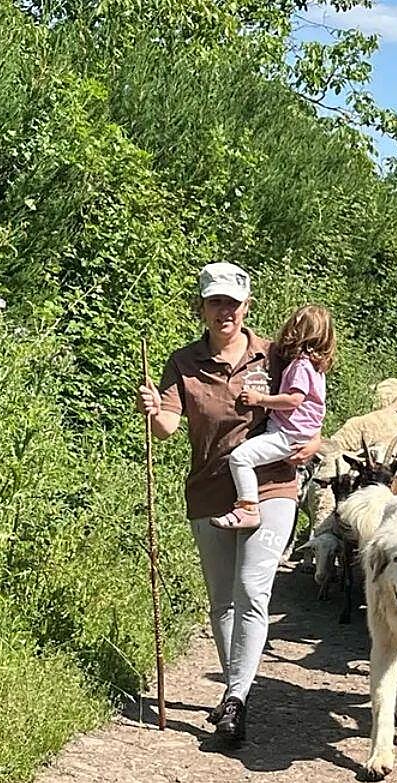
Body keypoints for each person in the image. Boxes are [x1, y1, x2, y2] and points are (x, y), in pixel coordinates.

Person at [136, 262, 321, 746]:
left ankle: (235, 699)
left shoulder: (275, 355)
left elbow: (309, 403)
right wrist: (153, 411)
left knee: (251, 589)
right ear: (200, 307)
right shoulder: (183, 363)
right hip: (209, 491)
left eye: (233, 303)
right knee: (222, 601)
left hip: (272, 485)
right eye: (216, 302)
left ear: (247, 307)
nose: (225, 312)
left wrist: (315, 440)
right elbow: (167, 427)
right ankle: (235, 689)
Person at [210, 304, 334, 530]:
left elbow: (294, 399)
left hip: (288, 434)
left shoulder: (301, 366)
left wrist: (260, 399)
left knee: (240, 458)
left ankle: (248, 507)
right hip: (299, 433)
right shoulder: (318, 368)